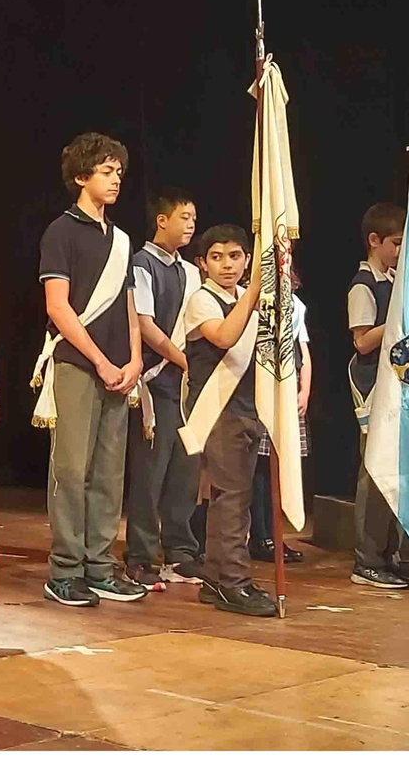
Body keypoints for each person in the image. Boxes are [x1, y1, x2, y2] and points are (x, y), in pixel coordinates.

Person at [32, 133, 147, 607]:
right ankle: (65, 569)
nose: (115, 178)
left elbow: (128, 304)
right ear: (82, 177)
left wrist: (135, 360)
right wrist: (99, 359)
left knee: (108, 474)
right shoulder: (60, 232)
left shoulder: (121, 241)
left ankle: (101, 566)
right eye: (106, 171)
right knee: (72, 467)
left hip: (121, 368)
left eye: (118, 171)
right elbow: (58, 307)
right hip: (79, 364)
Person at [179, 224, 275, 617]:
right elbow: (224, 337)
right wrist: (253, 292)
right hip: (217, 411)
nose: (227, 265)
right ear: (202, 264)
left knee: (232, 498)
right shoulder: (203, 300)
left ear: (247, 260)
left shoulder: (244, 300)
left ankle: (217, 578)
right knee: (232, 498)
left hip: (246, 408)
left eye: (235, 256)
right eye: (216, 257)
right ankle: (234, 582)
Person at [123, 187, 204, 590]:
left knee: (184, 473)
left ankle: (181, 552)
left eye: (193, 218)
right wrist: (183, 358)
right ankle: (140, 555)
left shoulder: (190, 271)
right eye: (184, 217)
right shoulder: (141, 264)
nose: (191, 224)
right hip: (156, 382)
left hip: (187, 386)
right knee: (150, 475)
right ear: (162, 220)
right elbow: (146, 325)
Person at [346, 203, 409, 588]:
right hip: (371, 385)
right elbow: (363, 340)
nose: (400, 251)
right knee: (373, 474)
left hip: (397, 383)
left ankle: (390, 552)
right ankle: (367, 559)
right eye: (396, 243)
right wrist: (398, 320)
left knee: (396, 472)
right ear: (375, 241)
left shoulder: (393, 280)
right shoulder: (363, 284)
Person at [250, 264, 310, 564]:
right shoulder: (258, 306)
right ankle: (260, 536)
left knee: (282, 468)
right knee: (261, 470)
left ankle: (276, 536)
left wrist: (304, 391)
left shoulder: (297, 307)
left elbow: (304, 352)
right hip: (265, 395)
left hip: (289, 395)